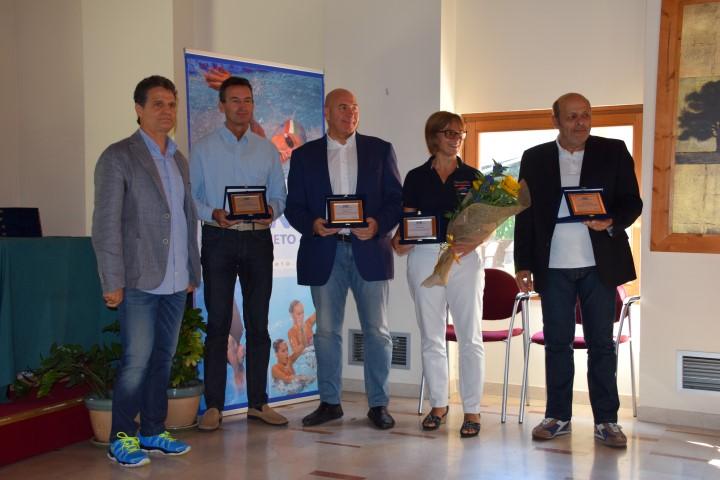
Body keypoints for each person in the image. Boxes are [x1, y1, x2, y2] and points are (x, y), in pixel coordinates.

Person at [513, 92, 642, 448]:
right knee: (557, 344)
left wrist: (611, 220)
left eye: (585, 114)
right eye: (571, 116)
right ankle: (557, 416)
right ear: (555, 120)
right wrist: (522, 263)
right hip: (553, 267)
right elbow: (524, 213)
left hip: (599, 266)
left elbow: (633, 201)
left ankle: (607, 421)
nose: (580, 122)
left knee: (602, 345)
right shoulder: (535, 157)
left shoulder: (613, 150)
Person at [92, 75, 201, 467]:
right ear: (138, 109)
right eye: (157, 104)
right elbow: (105, 225)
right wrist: (112, 280)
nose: (166, 111)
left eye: (171, 104)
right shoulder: (118, 156)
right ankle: (121, 438)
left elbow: (187, 219)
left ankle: (153, 431)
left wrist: (191, 270)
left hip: (175, 280)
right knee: (136, 362)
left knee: (162, 359)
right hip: (138, 279)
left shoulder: (178, 159)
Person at [285, 88, 403, 429]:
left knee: (377, 332)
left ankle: (378, 405)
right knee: (325, 333)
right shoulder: (304, 156)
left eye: (354, 107)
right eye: (342, 107)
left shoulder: (380, 150)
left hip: (370, 250)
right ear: (326, 112)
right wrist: (313, 224)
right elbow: (294, 206)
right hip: (326, 251)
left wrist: (378, 224)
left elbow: (396, 200)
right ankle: (329, 402)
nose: (350, 113)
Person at [191, 76, 288, 430]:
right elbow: (192, 199)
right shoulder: (202, 149)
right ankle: (214, 406)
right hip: (219, 238)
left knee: (258, 324)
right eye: (234, 100)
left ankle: (258, 403)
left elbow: (279, 196)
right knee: (218, 323)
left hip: (258, 240)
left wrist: (270, 211)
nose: (242, 107)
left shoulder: (266, 150)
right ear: (221, 106)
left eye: (247, 100)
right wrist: (213, 213)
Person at [392, 111, 486, 438]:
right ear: (434, 136)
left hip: (463, 257)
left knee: (469, 336)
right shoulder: (416, 177)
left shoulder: (473, 176)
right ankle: (438, 405)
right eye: (449, 133)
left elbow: (485, 224)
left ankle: (472, 410)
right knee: (432, 336)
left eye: (460, 133)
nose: (456, 139)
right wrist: (400, 240)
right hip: (424, 256)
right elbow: (408, 221)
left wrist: (471, 244)